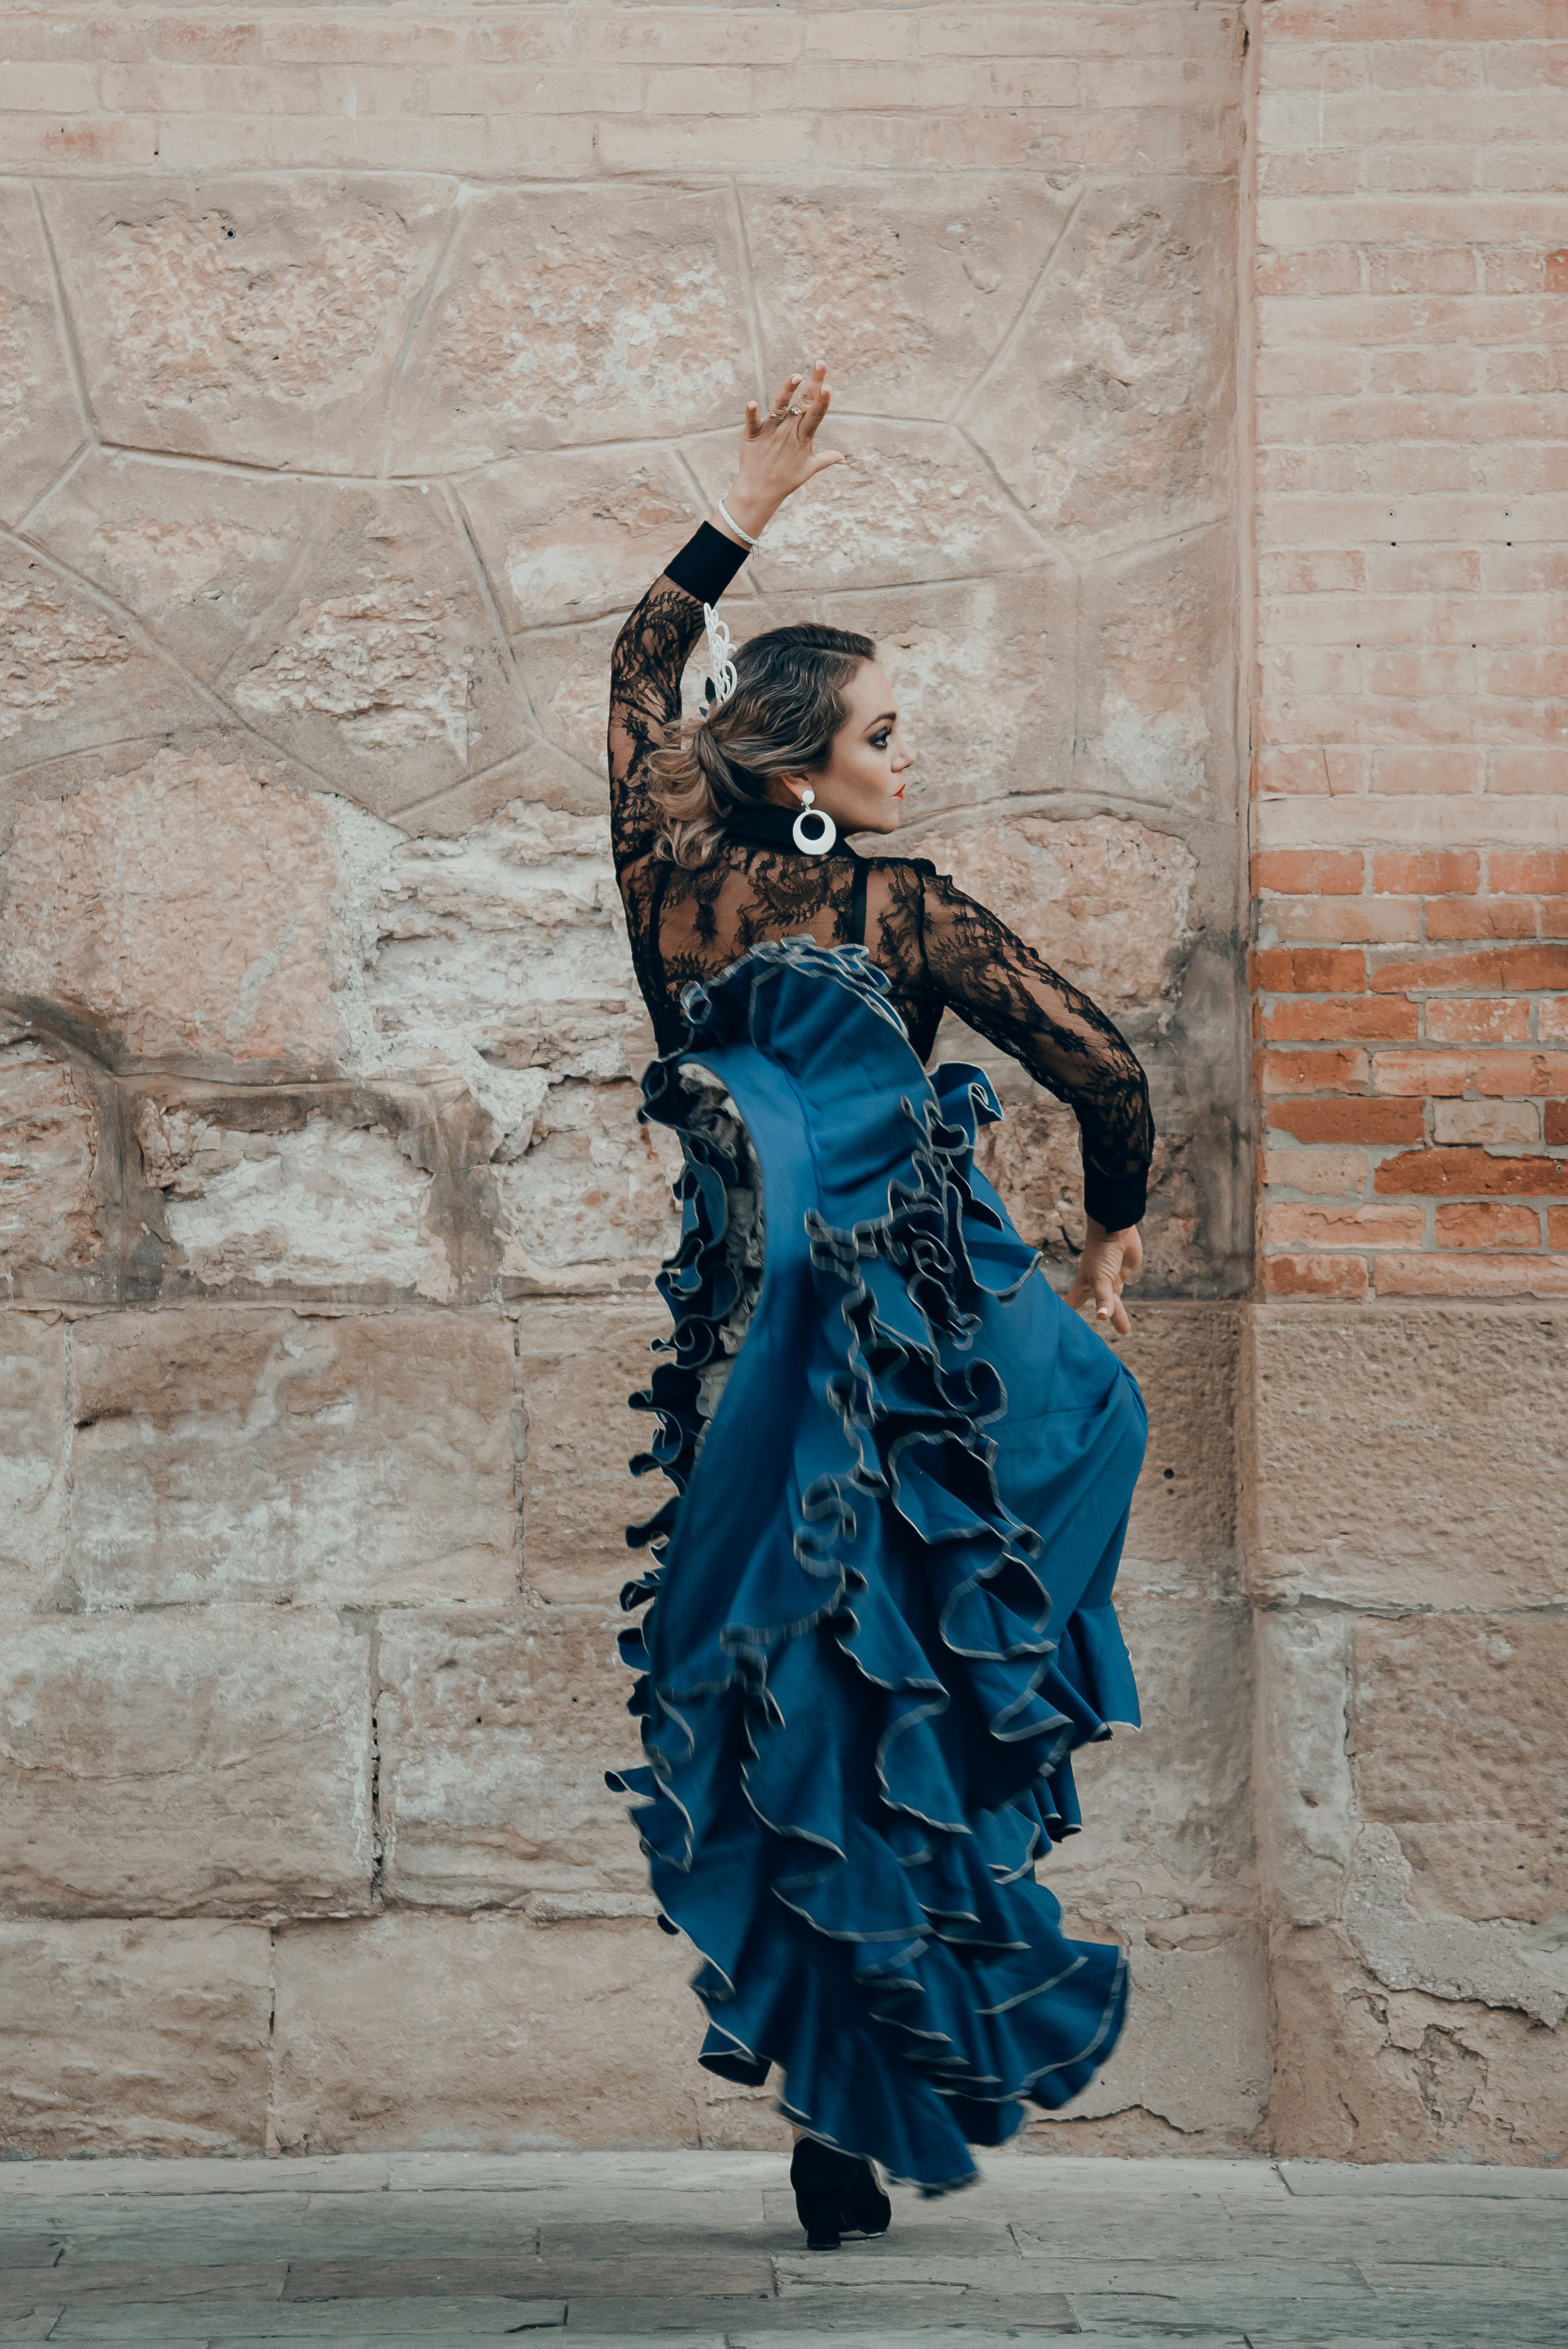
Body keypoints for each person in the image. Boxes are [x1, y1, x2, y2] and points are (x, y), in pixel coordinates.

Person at [604, 362, 1153, 2248]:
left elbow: (631, 674)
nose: (904, 763)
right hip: (907, 1381)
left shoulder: (663, 883)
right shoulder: (898, 911)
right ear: (810, 771)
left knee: (797, 1706)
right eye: (885, 737)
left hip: (748, 1365)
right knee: (920, 1667)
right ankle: (868, 2098)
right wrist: (1110, 1242)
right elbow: (1102, 1070)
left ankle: (837, 2107)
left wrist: (743, 503)